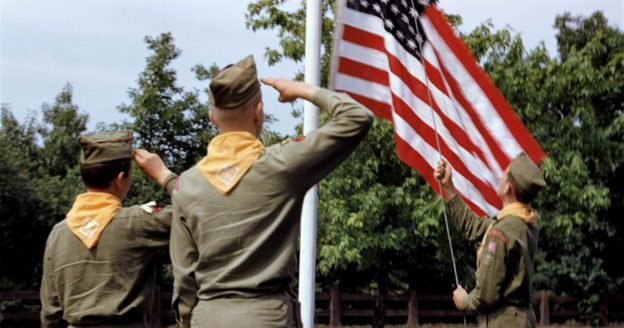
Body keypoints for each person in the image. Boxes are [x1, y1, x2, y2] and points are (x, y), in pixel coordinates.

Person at [170, 55, 373, 328]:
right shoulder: (282, 165)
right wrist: (303, 89)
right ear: (258, 111)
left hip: (208, 317)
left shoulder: (187, 185)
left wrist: (187, 320)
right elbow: (357, 117)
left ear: (212, 117)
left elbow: (184, 275)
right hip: (267, 316)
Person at [40, 131, 178, 328]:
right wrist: (165, 176)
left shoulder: (58, 233)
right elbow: (196, 211)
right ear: (121, 178)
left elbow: (51, 313)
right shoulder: (138, 222)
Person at [434, 153, 546, 327]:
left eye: (504, 175)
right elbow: (473, 226)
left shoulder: (503, 230)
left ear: (508, 188)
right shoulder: (522, 221)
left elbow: (486, 294)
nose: (500, 177)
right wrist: (448, 186)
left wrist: (465, 301)